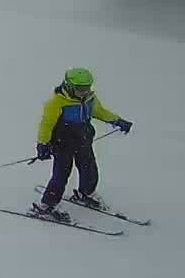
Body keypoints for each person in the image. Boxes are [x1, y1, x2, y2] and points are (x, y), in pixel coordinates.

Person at [32, 67, 133, 220]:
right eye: (80, 89)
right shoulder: (56, 103)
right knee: (61, 174)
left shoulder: (89, 98)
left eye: (87, 87)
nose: (85, 91)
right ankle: (46, 205)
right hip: (62, 143)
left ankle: (86, 193)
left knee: (89, 168)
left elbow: (99, 111)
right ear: (69, 86)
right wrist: (43, 145)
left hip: (83, 140)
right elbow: (46, 125)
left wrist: (116, 120)